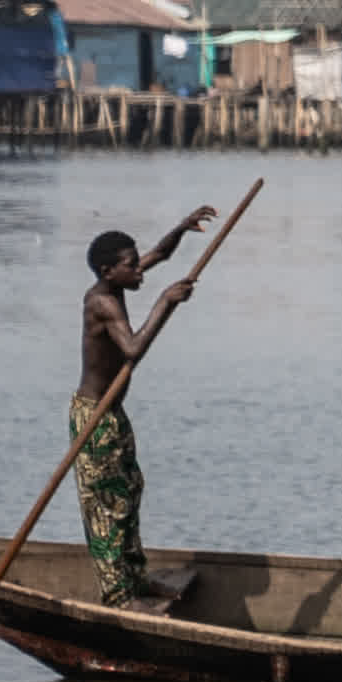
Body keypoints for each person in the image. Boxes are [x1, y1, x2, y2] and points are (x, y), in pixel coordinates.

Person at [70, 205, 221, 606]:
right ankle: (118, 594)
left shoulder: (119, 283)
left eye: (138, 264)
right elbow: (133, 348)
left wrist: (182, 228)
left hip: (112, 412)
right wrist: (165, 302)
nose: (141, 270)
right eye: (132, 266)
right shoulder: (102, 301)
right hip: (94, 417)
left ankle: (135, 578)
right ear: (108, 272)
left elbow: (161, 254)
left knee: (130, 488)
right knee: (106, 504)